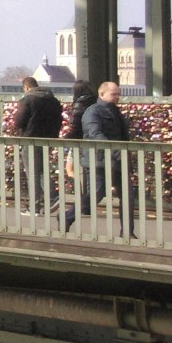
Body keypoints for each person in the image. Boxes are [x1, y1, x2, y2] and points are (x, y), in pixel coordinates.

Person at [67, 81, 134, 238]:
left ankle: (128, 232)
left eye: (118, 94)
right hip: (99, 160)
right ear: (102, 94)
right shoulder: (92, 111)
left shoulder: (115, 111)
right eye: (113, 94)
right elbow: (95, 134)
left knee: (127, 196)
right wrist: (116, 151)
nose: (117, 97)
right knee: (96, 193)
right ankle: (67, 217)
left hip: (117, 159)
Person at [10, 76, 63, 214]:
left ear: (26, 87)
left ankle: (37, 206)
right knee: (41, 171)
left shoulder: (27, 99)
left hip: (31, 139)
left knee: (32, 172)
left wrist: (18, 129)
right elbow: (59, 119)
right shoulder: (53, 100)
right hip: (49, 139)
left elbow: (19, 121)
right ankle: (52, 198)